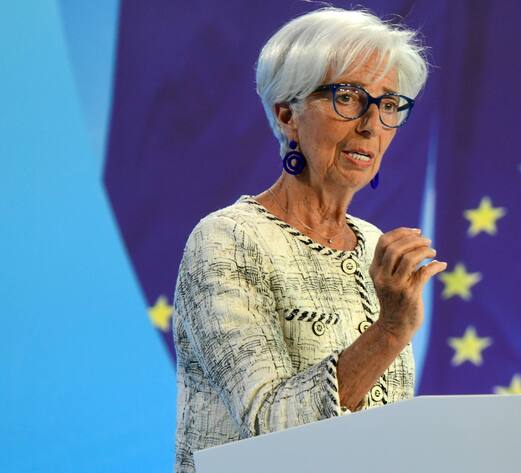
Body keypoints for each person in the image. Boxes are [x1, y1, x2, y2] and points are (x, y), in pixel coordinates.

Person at [171, 7, 446, 473]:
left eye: (388, 104)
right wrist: (390, 332)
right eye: (348, 97)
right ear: (287, 115)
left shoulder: (375, 246)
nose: (371, 124)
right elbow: (270, 428)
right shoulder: (228, 240)